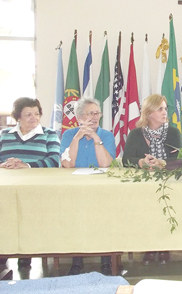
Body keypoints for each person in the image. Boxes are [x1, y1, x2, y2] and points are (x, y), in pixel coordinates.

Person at [0, 97, 60, 269]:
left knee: (29, 218)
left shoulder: (49, 134)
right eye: (28, 115)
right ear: (18, 117)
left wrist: (26, 165)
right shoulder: (4, 135)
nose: (34, 118)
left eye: (36, 114)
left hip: (36, 190)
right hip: (6, 189)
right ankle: (4, 251)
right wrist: (3, 165)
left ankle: (26, 255)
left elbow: (55, 161)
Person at [122, 94, 182, 265]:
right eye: (160, 109)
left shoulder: (173, 133)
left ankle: (164, 246)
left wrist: (163, 163)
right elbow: (126, 160)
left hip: (168, 183)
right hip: (142, 185)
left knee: (164, 206)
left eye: (166, 109)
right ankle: (149, 246)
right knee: (145, 208)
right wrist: (141, 162)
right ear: (149, 113)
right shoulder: (135, 134)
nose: (165, 113)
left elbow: (181, 161)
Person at [60, 98, 116, 275]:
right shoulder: (68, 135)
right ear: (79, 117)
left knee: (105, 218)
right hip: (75, 187)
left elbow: (106, 164)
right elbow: (68, 164)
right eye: (89, 113)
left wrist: (96, 138)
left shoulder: (106, 135)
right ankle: (77, 260)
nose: (94, 117)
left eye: (97, 113)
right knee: (76, 219)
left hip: (101, 187)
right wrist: (77, 137)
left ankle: (106, 260)